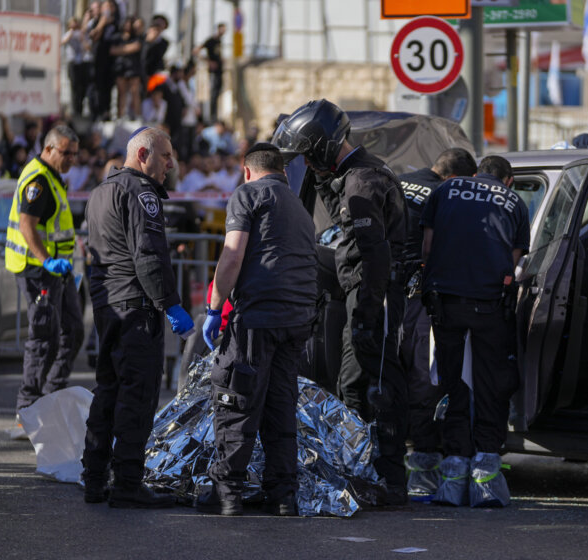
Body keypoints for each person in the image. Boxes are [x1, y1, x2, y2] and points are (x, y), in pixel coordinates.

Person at [273, 99, 410, 504]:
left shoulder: (362, 180)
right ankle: (364, 470)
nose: (308, 166)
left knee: (379, 384)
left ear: (319, 148)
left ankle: (390, 477)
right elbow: (344, 229)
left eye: (307, 158)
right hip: (362, 294)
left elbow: (372, 255)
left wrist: (367, 313)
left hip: (374, 296)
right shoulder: (350, 176)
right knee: (352, 384)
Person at [196, 142, 317, 516]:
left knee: (236, 399)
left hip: (258, 318)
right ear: (282, 171)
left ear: (247, 170)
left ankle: (227, 491)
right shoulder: (298, 205)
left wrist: (214, 307)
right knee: (281, 405)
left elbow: (233, 254)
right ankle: (283, 495)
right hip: (297, 318)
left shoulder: (249, 194)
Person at [82, 126, 193, 508]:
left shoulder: (100, 193)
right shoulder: (141, 192)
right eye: (166, 156)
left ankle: (94, 478)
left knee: (108, 391)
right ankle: (128, 482)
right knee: (138, 394)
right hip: (136, 308)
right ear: (143, 155)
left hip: (109, 306)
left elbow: (95, 257)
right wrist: (170, 303)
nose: (171, 165)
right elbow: (148, 256)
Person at [420, 155, 529, 506]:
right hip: (488, 304)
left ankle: (452, 479)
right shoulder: (514, 201)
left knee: (452, 384)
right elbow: (513, 260)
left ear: (476, 171)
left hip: (446, 301)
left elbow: (427, 246)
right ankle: (485, 480)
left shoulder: (446, 189)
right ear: (507, 180)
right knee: (490, 387)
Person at [397, 148, 477, 496]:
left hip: (381, 292)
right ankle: (424, 457)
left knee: (390, 377)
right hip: (419, 294)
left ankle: (393, 457)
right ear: (455, 178)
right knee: (423, 380)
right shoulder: (446, 194)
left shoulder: (399, 182)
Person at [5, 125, 85, 418]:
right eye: (66, 153)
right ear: (49, 149)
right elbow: (27, 224)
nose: (71, 160)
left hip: (57, 272)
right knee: (44, 337)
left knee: (73, 331)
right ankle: (28, 409)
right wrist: (46, 259)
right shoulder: (38, 179)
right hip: (37, 270)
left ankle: (51, 396)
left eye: (75, 154)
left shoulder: (53, 177)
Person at [110, 16, 144, 121]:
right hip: (121, 67)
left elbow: (136, 46)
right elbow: (112, 50)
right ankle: (121, 115)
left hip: (133, 67)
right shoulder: (117, 37)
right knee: (122, 92)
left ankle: (137, 114)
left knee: (135, 91)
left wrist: (121, 50)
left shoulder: (137, 37)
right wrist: (126, 49)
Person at [193, 23, 226, 121]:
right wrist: (208, 62)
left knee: (217, 93)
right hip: (213, 72)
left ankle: (214, 115)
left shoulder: (219, 41)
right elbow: (196, 51)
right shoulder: (211, 41)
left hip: (219, 71)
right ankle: (211, 117)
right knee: (212, 94)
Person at [61, 16, 91, 117]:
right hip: (72, 62)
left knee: (81, 87)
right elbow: (62, 42)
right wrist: (70, 33)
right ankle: (75, 108)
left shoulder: (82, 34)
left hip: (81, 63)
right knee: (74, 86)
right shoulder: (68, 34)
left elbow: (88, 47)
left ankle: (80, 108)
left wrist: (82, 38)